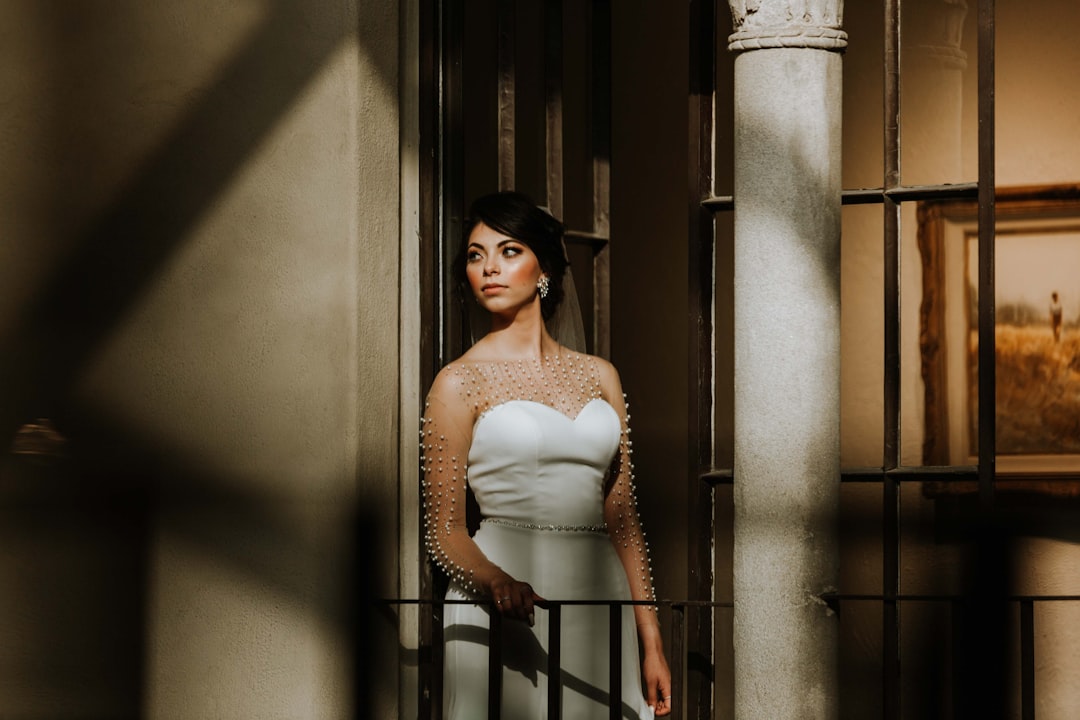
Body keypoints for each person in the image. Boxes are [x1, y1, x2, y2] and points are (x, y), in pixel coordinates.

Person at [421, 191, 672, 718]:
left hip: (600, 596)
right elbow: (444, 532)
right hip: (507, 603)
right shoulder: (457, 382)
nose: (488, 266)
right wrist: (496, 583)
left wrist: (650, 639)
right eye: (474, 254)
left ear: (544, 270)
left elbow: (623, 519)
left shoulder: (602, 375)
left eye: (508, 250)